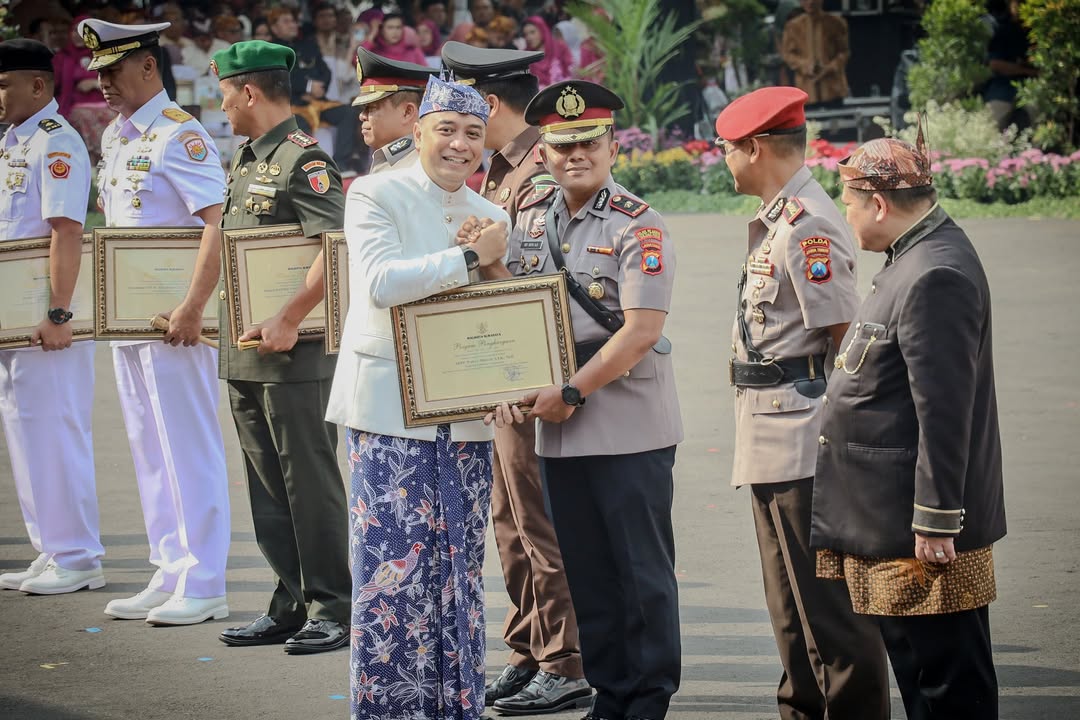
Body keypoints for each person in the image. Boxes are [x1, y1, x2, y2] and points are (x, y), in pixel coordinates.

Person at [491, 79, 683, 720]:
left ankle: (647, 700)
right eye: (562, 145)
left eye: (589, 143)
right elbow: (512, 303)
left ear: (612, 148)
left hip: (626, 423)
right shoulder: (530, 219)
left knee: (640, 574)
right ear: (544, 151)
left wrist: (573, 389)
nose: (576, 155)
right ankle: (610, 693)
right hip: (559, 426)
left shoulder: (638, 223)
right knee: (588, 571)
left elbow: (642, 331)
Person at [324, 75, 509, 720]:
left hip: (464, 418)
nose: (460, 145)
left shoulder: (492, 214)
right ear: (418, 128)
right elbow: (379, 283)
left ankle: (456, 707)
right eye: (446, 130)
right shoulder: (374, 193)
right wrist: (469, 258)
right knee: (391, 577)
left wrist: (510, 375)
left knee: (459, 574)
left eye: (473, 133)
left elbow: (503, 313)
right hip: (389, 414)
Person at [813, 134, 1006, 720]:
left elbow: (945, 412)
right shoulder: (916, 253)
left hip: (921, 531)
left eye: (848, 203)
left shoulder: (933, 273)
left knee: (945, 686)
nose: (846, 216)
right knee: (924, 677)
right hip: (897, 517)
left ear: (877, 203)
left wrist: (937, 519)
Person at [714, 86, 890, 720]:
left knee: (829, 611)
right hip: (771, 430)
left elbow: (848, 344)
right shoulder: (780, 217)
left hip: (804, 439)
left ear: (755, 148)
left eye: (727, 149)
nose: (724, 160)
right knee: (789, 606)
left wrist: (846, 447)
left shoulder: (807, 225)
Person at [441, 40, 590, 715]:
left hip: (536, 368)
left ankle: (564, 661)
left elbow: (538, 285)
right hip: (504, 365)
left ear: (488, 102)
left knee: (537, 521)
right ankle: (528, 646)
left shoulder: (538, 173)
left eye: (465, 108)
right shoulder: (504, 169)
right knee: (509, 520)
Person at [80, 18, 232, 626]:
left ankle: (204, 579)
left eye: (113, 70)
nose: (103, 83)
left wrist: (194, 305)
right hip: (129, 320)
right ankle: (169, 567)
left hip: (176, 320)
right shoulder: (117, 136)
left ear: (148, 66)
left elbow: (217, 222)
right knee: (149, 447)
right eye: (98, 72)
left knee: (186, 446)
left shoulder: (179, 134)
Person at [207, 40, 352, 655]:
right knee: (267, 484)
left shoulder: (303, 159)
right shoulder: (246, 158)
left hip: (295, 352)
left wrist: (289, 317)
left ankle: (333, 606)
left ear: (248, 91)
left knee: (307, 481)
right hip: (246, 348)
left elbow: (336, 247)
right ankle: (289, 602)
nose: (221, 106)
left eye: (224, 95)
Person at [0, 38, 105, 596]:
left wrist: (58, 312)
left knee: (57, 430)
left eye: (3, 85)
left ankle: (78, 554)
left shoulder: (54, 141)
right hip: (13, 320)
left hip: (47, 317)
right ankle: (50, 548)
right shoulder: (12, 143)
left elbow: (66, 230)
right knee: (25, 432)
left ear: (38, 85)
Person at [353, 46, 436, 175]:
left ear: (407, 112)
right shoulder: (400, 161)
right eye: (364, 109)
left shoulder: (416, 167)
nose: (362, 116)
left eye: (372, 107)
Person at [52, 15, 112, 164]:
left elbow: (116, 82)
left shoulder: (104, 55)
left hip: (105, 104)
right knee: (84, 117)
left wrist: (95, 84)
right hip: (74, 106)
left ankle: (106, 159)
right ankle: (96, 161)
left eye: (83, 31)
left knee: (113, 120)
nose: (77, 35)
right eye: (74, 30)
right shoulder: (62, 57)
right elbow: (52, 85)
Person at [781, 0, 849, 107]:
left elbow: (844, 52)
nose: (810, 2)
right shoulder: (793, 26)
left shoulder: (836, 23)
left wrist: (830, 67)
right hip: (806, 91)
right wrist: (805, 65)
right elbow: (788, 54)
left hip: (833, 89)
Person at [362, 12, 427, 66]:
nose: (395, 32)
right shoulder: (374, 52)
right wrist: (372, 35)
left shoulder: (413, 52)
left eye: (398, 27)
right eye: (390, 28)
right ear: (381, 30)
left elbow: (427, 74)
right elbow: (358, 64)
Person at [521, 16, 572, 87]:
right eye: (525, 35)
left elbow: (570, 72)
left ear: (542, 30)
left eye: (532, 32)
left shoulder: (560, 48)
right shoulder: (525, 57)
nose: (529, 37)